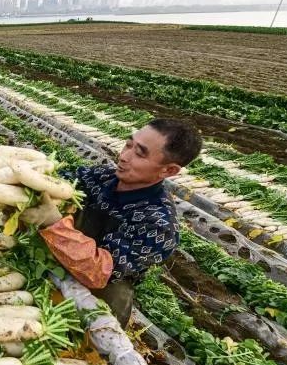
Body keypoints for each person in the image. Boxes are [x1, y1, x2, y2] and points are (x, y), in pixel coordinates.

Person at [36, 118, 202, 326]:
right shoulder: (100, 178)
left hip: (95, 299)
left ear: (168, 170)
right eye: (128, 144)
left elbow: (98, 272)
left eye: (140, 153)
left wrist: (54, 223)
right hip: (50, 264)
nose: (124, 156)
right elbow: (59, 179)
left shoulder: (159, 226)